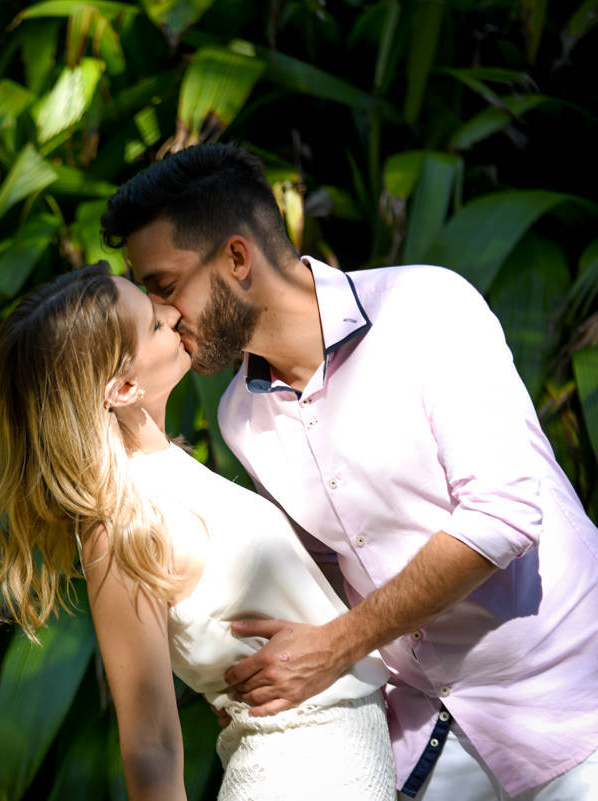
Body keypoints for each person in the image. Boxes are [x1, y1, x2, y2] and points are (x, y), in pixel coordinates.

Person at [99, 142, 598, 800]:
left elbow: (502, 515)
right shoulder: (239, 414)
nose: (162, 314)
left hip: (571, 706)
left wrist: (336, 645)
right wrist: (249, 672)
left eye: (164, 286)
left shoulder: (424, 308)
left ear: (237, 259)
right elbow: (321, 574)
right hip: (423, 733)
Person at [0, 262, 395, 800]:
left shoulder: (168, 469)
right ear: (124, 388)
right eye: (155, 324)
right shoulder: (121, 524)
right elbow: (149, 742)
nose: (174, 313)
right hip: (296, 772)